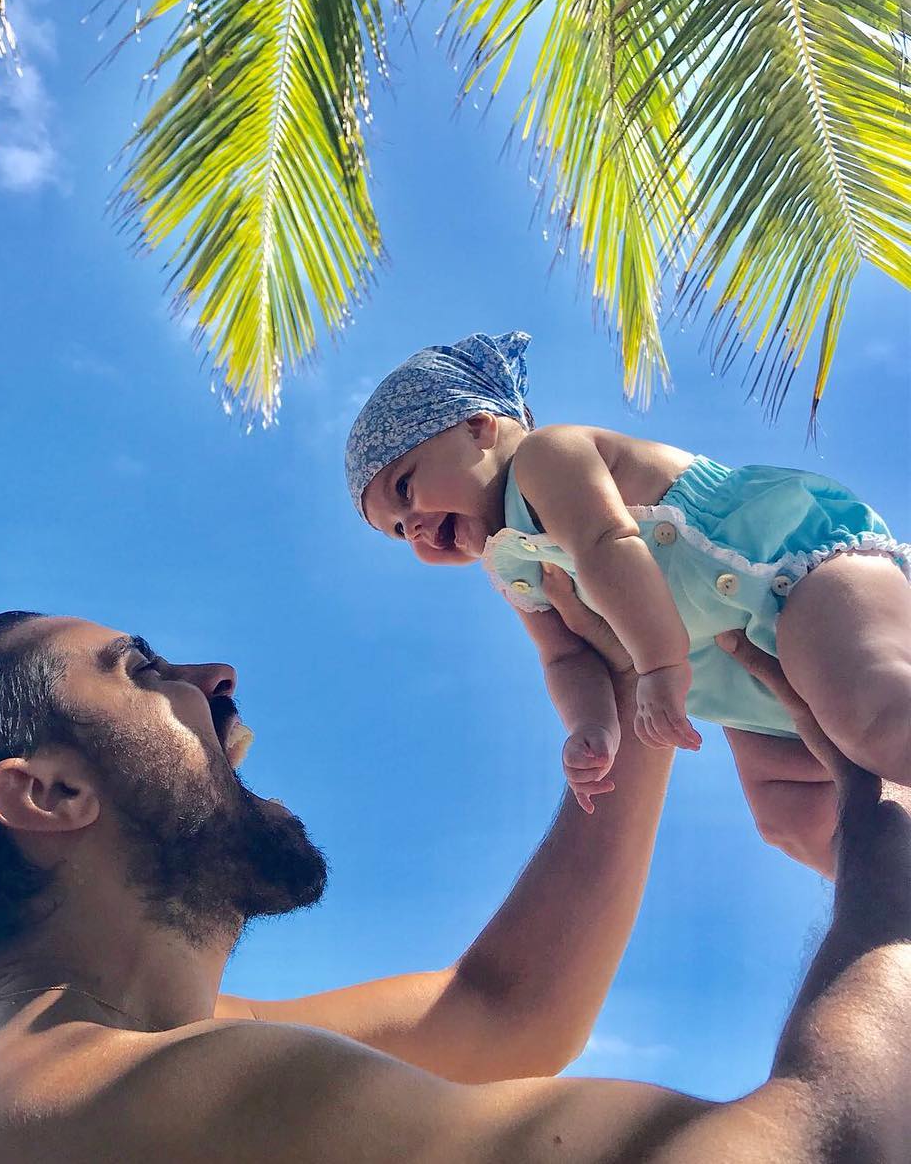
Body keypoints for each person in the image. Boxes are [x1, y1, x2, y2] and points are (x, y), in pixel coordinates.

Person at [0, 610, 911, 1161]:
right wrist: (890, 816)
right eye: (139, 669)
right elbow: (834, 1150)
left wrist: (636, 682)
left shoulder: (94, 1072)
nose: (213, 678)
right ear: (50, 793)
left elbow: (503, 1011)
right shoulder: (122, 1103)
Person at [346, 331, 911, 841]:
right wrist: (591, 726)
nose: (413, 526)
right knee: (788, 816)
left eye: (405, 487)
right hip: (743, 682)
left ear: (478, 427)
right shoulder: (513, 567)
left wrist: (659, 668)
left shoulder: (547, 457)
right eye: (398, 531)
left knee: (878, 718)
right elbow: (565, 658)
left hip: (792, 575)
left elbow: (607, 543)